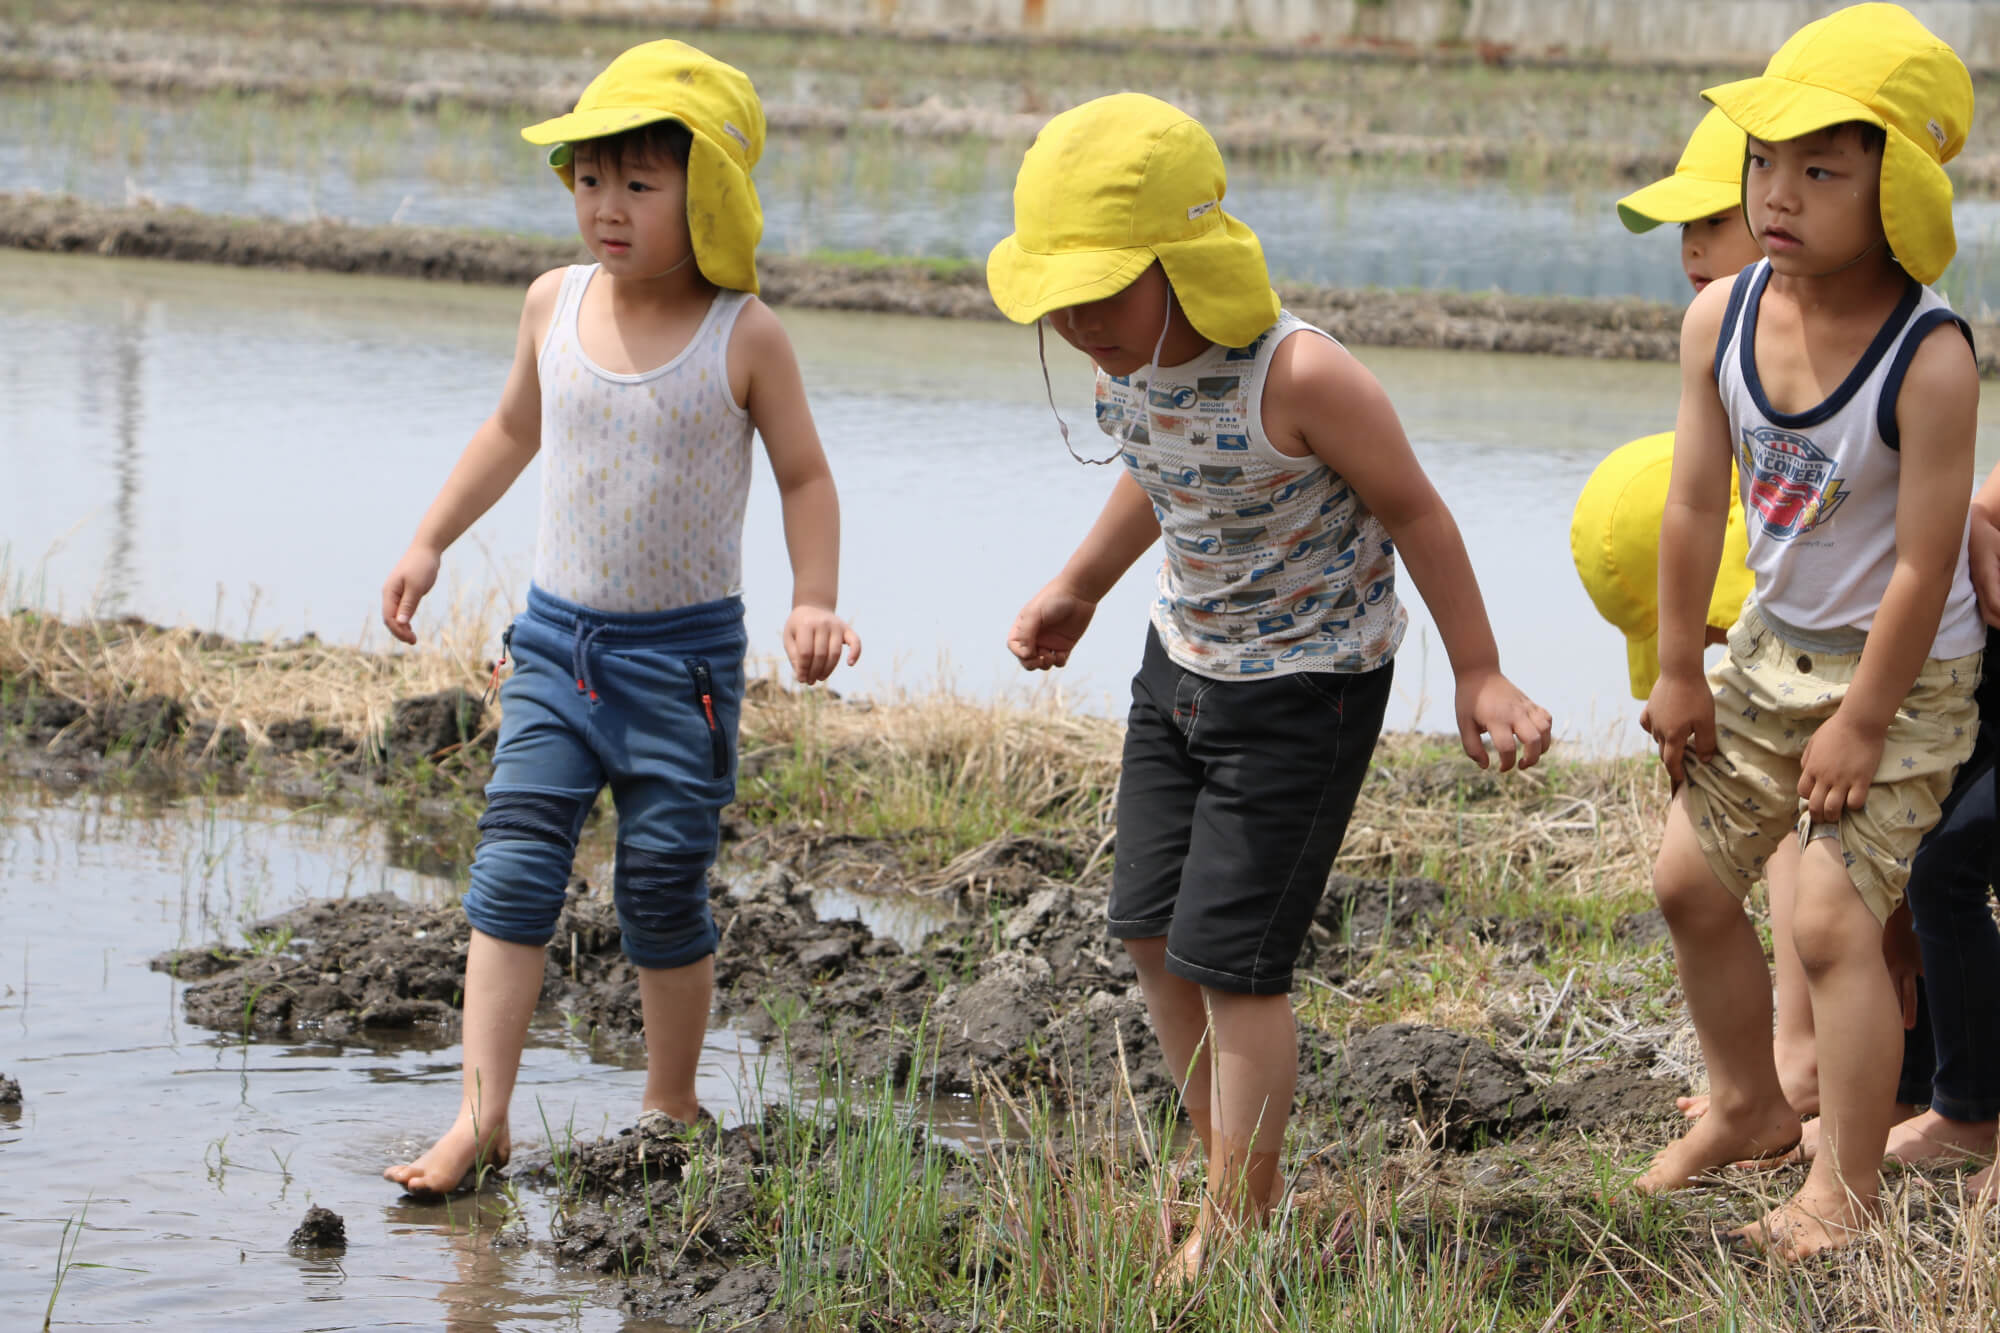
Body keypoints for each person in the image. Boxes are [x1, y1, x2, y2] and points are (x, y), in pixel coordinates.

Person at [987, 92, 1552, 1280]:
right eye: (1058, 295)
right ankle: (1233, 1173)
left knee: (1230, 962)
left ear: (1183, 262)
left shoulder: (1298, 376)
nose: (1077, 317)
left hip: (1307, 688)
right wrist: (1079, 586)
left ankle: (1235, 1222)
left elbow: (1417, 513)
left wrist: (1480, 670)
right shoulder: (1124, 367)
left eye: (1101, 287)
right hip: (1178, 665)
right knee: (1147, 926)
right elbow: (1160, 475)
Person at [377, 40, 860, 1196]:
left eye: (640, 185)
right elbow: (509, 430)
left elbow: (804, 477)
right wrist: (428, 538)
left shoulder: (744, 335)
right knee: (512, 866)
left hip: (681, 668)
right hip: (553, 648)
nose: (607, 206)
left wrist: (814, 599)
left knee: (658, 880)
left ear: (708, 201)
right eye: (590, 179)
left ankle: (669, 1097)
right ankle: (480, 1115)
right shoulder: (553, 301)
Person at [1637, 3, 1984, 1259]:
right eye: (1761, 164)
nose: (1776, 196)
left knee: (1832, 923)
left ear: (1893, 191)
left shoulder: (1928, 359)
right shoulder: (1718, 317)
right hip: (1765, 657)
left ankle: (1845, 1187)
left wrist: (1862, 719)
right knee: (1685, 880)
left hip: (1900, 677)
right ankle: (1743, 1103)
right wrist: (1682, 665)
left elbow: (1919, 564)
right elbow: (1688, 502)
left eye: (1820, 170)